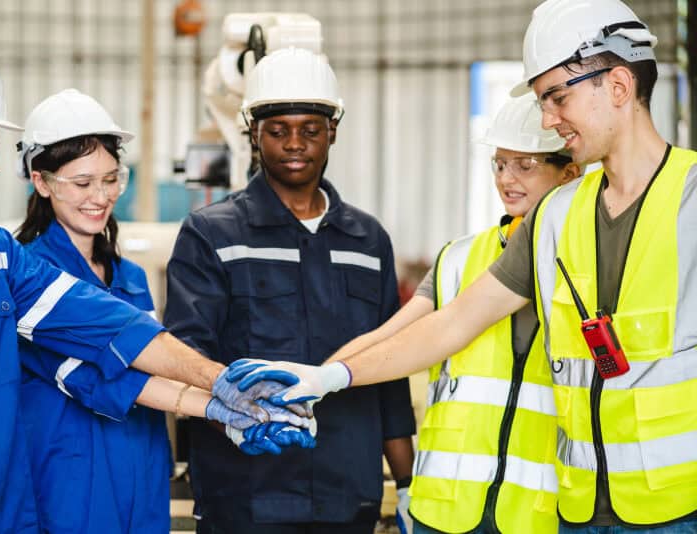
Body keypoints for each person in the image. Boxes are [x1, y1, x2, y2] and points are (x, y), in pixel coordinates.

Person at [233, 0, 697, 531]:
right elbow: (450, 324)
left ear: (617, 85)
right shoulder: (557, 214)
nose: (548, 119)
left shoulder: (691, 200)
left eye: (558, 97)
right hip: (582, 510)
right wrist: (328, 376)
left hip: (681, 510)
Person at [0, 37, 295, 533]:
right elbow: (94, 379)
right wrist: (215, 396)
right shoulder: (14, 256)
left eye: (110, 180)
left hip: (15, 515)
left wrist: (221, 391)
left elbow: (111, 328)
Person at [162, 46, 416, 534]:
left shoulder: (367, 240)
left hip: (350, 497)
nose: (295, 143)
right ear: (254, 134)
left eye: (311, 130)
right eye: (278, 131)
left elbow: (389, 369)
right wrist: (239, 419)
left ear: (333, 132)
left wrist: (405, 485)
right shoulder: (211, 234)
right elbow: (186, 358)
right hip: (246, 495)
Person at [326, 92, 581, 534]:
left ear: (569, 173)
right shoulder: (460, 259)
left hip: (540, 513)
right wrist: (315, 377)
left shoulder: (588, 265)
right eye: (500, 164)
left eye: (526, 165)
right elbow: (390, 338)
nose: (506, 179)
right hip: (445, 508)